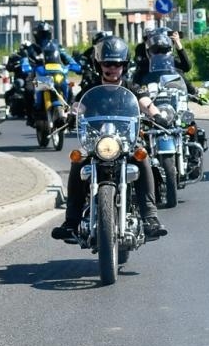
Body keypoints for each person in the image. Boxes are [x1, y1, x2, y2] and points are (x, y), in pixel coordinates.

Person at [52, 35, 167, 244]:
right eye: (108, 63)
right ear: (99, 64)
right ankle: (70, 222)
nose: (112, 68)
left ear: (124, 66)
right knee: (77, 160)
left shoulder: (132, 87)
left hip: (125, 141)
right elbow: (79, 106)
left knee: (142, 158)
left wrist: (157, 115)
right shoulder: (90, 88)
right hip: (96, 142)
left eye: (117, 64)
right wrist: (70, 115)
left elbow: (145, 103)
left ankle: (151, 218)